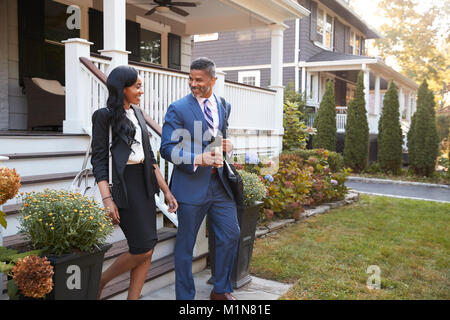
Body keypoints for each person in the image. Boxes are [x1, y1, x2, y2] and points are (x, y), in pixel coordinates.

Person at [91, 65, 178, 300]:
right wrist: (107, 199)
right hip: (124, 185)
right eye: (137, 86)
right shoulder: (103, 116)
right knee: (142, 248)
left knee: (148, 248)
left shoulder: (138, 114)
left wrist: (166, 191)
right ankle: (100, 280)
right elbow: (98, 160)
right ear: (123, 88)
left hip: (145, 182)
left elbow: (150, 158)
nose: (141, 91)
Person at [160, 57, 240, 300]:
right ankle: (185, 299)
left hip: (220, 184)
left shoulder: (224, 105)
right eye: (191, 79)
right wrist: (199, 158)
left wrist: (226, 146)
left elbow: (215, 139)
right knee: (185, 246)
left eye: (199, 80)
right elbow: (167, 148)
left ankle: (221, 290)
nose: (193, 85)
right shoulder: (178, 108)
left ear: (213, 80)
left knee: (231, 234)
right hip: (190, 185)